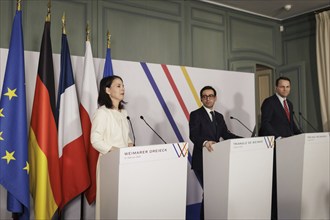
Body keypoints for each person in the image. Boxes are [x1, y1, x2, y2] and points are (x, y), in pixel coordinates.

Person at [189, 86, 240, 220]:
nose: (208, 98)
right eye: (205, 96)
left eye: (210, 96)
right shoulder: (195, 114)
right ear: (201, 99)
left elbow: (226, 134)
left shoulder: (219, 116)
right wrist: (205, 142)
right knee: (210, 193)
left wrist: (244, 140)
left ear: (215, 98)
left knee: (213, 193)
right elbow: (193, 135)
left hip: (217, 160)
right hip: (202, 161)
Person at [259, 76, 302, 220]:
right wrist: (278, 138)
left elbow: (290, 125)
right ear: (276, 88)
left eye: (288, 87)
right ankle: (273, 214)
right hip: (275, 146)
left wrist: (302, 136)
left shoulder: (289, 103)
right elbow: (265, 123)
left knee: (286, 179)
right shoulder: (269, 102)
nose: (285, 89)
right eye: (282, 86)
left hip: (288, 147)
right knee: (275, 182)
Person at [91, 75, 133, 218]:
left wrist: (129, 144)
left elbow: (125, 137)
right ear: (107, 90)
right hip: (109, 162)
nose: (123, 89)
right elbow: (95, 140)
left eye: (123, 85)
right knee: (111, 204)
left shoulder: (123, 113)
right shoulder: (102, 113)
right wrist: (116, 151)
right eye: (118, 86)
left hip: (126, 162)